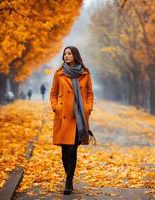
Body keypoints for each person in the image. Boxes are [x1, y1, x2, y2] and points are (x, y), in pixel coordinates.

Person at [50, 46, 94, 195]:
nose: (66, 56)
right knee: (64, 152)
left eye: (69, 53)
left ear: (75, 56)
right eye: (64, 54)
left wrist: (88, 108)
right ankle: (69, 176)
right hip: (63, 116)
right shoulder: (59, 73)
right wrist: (56, 107)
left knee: (72, 149)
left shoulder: (85, 74)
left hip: (78, 117)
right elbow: (53, 93)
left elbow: (89, 93)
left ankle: (68, 182)